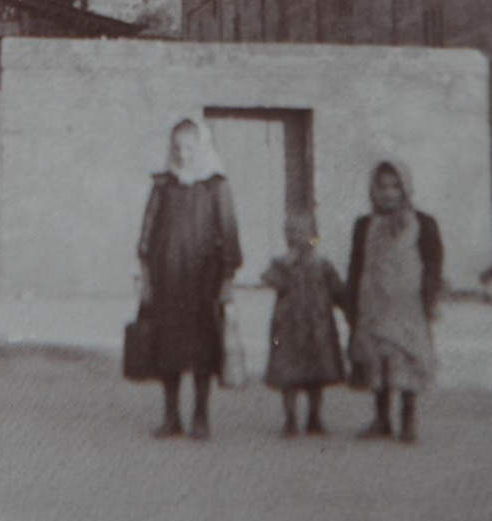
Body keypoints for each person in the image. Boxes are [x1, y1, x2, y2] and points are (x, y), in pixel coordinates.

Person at [137, 116, 242, 440]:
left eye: (190, 147)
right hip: (168, 278)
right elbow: (148, 231)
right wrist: (147, 274)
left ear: (202, 147)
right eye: (177, 147)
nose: (183, 154)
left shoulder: (216, 186)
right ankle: (171, 416)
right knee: (168, 347)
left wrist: (226, 277)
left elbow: (229, 233)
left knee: (202, 348)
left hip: (202, 281)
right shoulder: (163, 185)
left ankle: (201, 415)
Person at [344, 159, 443, 444]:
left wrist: (430, 297)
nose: (388, 193)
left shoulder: (423, 223)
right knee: (377, 359)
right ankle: (381, 418)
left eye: (395, 186)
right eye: (382, 187)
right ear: (373, 190)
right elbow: (356, 264)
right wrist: (350, 302)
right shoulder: (364, 225)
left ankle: (408, 419)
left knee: (406, 358)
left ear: (405, 189)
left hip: (406, 303)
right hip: (373, 300)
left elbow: (433, 263)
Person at [260, 206, 346, 437]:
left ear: (314, 235)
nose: (296, 237)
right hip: (288, 326)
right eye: (291, 232)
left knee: (316, 375)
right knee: (288, 374)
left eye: (302, 232)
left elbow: (338, 289)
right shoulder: (282, 263)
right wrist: (287, 265)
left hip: (317, 326)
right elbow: (269, 279)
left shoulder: (322, 264)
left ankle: (314, 416)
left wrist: (347, 304)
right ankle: (290, 418)